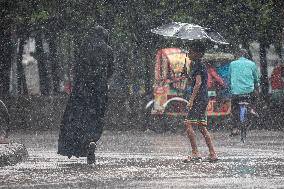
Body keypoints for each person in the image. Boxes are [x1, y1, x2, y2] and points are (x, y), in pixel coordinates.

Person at [57, 25, 114, 164]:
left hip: (82, 90)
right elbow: (111, 70)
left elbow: (78, 68)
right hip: (99, 91)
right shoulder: (108, 50)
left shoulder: (85, 46)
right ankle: (92, 140)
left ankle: (80, 144)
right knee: (96, 117)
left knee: (79, 117)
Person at [183, 41, 218, 163]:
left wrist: (191, 100)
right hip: (203, 98)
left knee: (188, 123)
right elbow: (195, 82)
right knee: (202, 127)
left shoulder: (198, 65)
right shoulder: (198, 65)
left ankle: (195, 153)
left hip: (198, 99)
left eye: (191, 51)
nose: (189, 52)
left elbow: (198, 84)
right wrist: (187, 75)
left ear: (198, 53)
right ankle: (212, 153)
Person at [228, 49, 259, 136]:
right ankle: (252, 108)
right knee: (256, 95)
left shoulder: (232, 64)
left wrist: (230, 88)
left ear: (237, 55)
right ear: (247, 56)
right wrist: (257, 85)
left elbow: (229, 78)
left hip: (236, 92)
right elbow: (256, 78)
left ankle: (235, 128)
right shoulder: (252, 64)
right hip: (249, 91)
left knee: (234, 109)